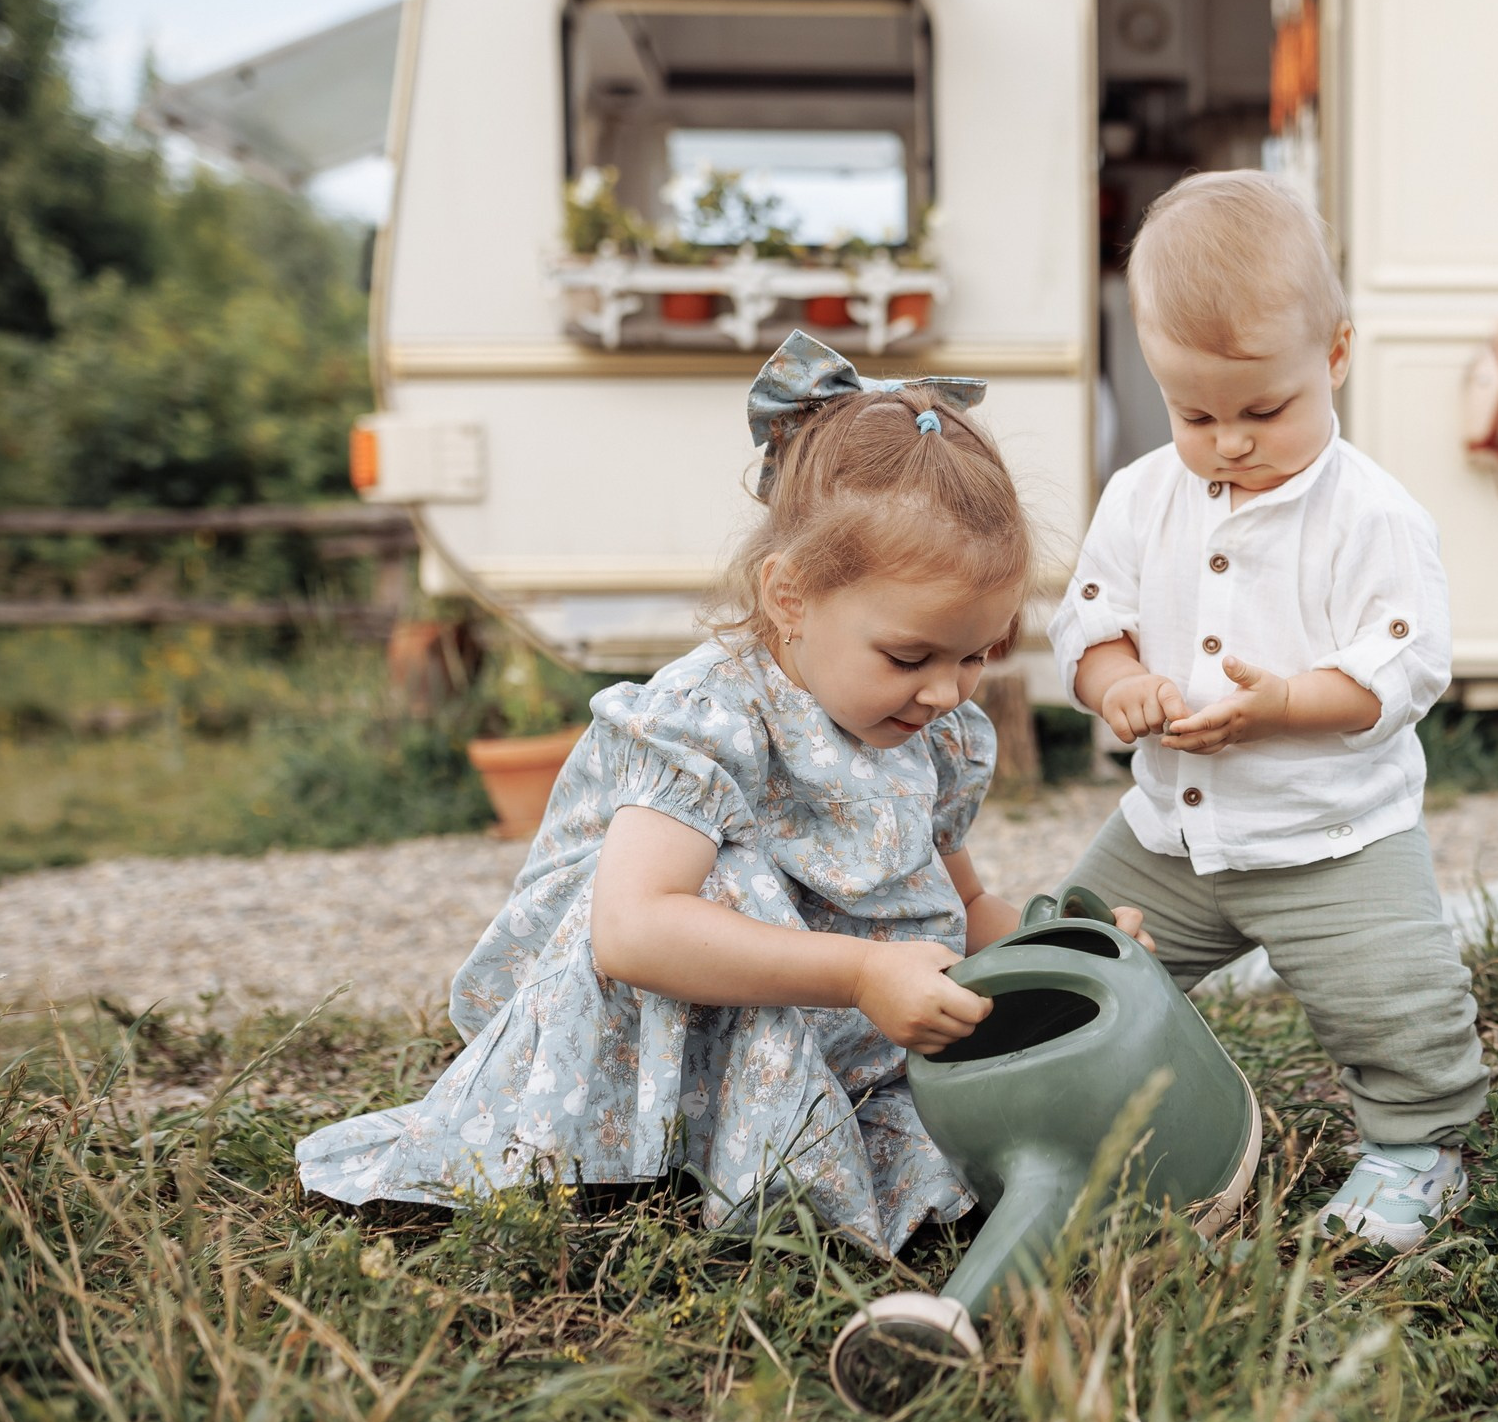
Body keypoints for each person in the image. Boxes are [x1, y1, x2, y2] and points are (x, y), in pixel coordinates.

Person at [298, 332, 1085, 1255]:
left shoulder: (932, 732)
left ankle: (808, 1138)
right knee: (726, 878)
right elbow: (633, 930)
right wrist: (862, 973)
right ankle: (653, 1167)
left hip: (841, 1044)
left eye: (979, 655)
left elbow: (960, 904)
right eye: (910, 656)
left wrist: (1058, 953)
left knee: (979, 1146)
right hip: (659, 1029)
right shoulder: (706, 719)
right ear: (788, 596)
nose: (947, 689)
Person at [1050, 170, 1489, 1251]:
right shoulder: (1141, 495)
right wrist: (1122, 686)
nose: (1230, 440)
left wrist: (1283, 705)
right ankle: (1071, 1114)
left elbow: (1402, 667)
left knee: (1398, 1001)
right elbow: (1089, 623)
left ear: (1336, 354)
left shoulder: (1373, 516)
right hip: (1175, 832)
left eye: (1265, 408)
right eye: (1194, 412)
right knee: (1073, 953)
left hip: (1331, 831)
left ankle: (1416, 1147)